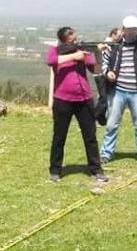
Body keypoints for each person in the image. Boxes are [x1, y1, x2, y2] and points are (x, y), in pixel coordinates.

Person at [46, 26, 108, 183]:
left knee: (90, 136)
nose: (74, 41)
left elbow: (96, 70)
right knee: (59, 136)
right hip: (62, 100)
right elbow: (51, 61)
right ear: (63, 40)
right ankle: (55, 170)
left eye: (74, 39)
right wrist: (75, 56)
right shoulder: (55, 50)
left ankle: (96, 169)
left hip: (84, 99)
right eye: (70, 39)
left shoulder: (82, 51)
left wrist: (98, 53)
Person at [100, 15, 137, 163]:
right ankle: (106, 153)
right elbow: (105, 62)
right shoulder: (114, 45)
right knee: (112, 124)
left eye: (135, 29)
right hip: (118, 91)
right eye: (130, 29)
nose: (132, 32)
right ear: (123, 29)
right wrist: (108, 73)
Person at [94, 28, 122, 126]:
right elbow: (102, 60)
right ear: (113, 34)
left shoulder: (112, 45)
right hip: (101, 74)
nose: (120, 37)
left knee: (105, 97)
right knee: (104, 98)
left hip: (104, 74)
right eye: (118, 35)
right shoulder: (107, 45)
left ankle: (101, 119)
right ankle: (93, 117)